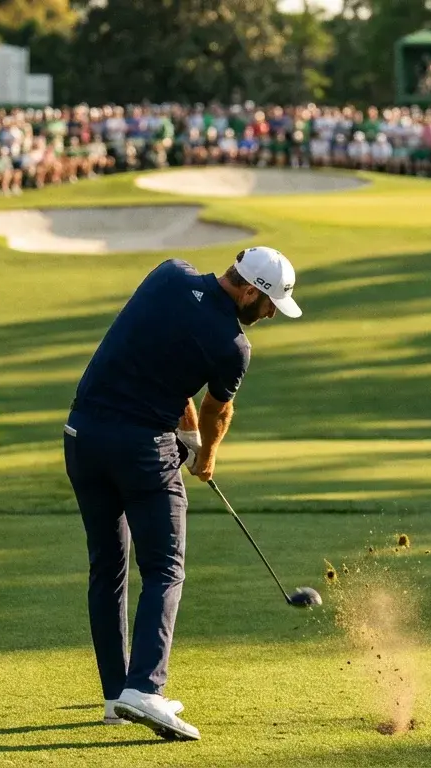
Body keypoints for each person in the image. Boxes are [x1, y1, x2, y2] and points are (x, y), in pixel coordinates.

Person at [64, 246, 302, 741]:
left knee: (107, 567)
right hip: (141, 451)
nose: (271, 315)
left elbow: (163, 363)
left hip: (82, 436)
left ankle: (116, 696)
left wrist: (187, 435)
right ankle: (145, 688)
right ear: (250, 291)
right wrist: (206, 456)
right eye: (269, 304)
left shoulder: (169, 275)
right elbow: (216, 410)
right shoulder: (233, 346)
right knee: (165, 568)